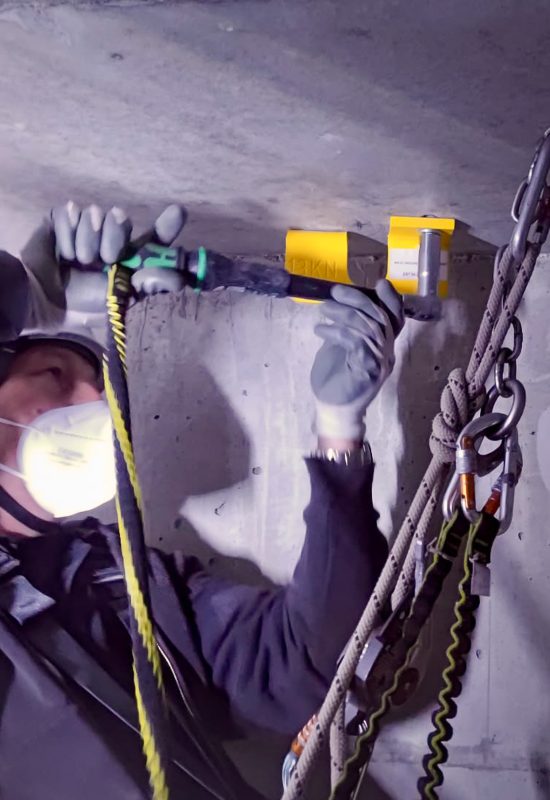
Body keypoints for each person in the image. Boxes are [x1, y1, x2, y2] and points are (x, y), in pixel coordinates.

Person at [0, 204, 404, 800]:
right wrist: (27, 298)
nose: (89, 409)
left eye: (102, 394)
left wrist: (339, 429)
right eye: (57, 375)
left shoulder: (120, 580)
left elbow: (310, 666)